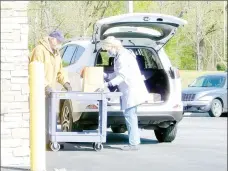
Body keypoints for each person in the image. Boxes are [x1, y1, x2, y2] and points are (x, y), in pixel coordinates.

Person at [101, 36, 148, 151]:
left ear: (112, 47)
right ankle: (134, 142)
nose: (108, 52)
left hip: (131, 90)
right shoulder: (120, 55)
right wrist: (106, 76)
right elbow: (118, 73)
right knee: (130, 116)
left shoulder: (123, 56)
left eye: (107, 50)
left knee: (130, 116)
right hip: (128, 90)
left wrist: (108, 84)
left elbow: (122, 76)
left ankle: (134, 144)